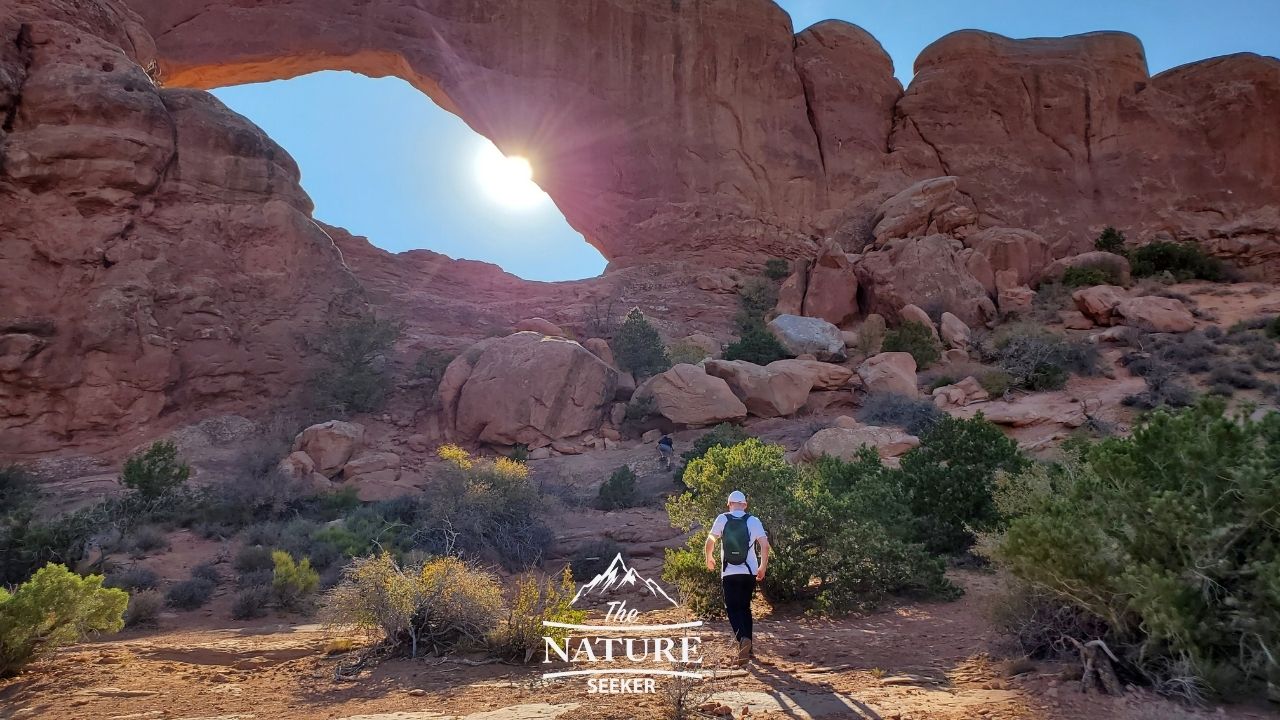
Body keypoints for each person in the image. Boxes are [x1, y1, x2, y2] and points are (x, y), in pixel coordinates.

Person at [705, 490, 769, 664]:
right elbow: (765, 545)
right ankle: (749, 648)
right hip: (749, 571)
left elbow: (710, 539)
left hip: (729, 571)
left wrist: (709, 557)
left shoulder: (722, 518)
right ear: (745, 505)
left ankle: (742, 640)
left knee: (732, 608)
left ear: (729, 504)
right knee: (745, 607)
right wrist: (762, 566)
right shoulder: (753, 521)